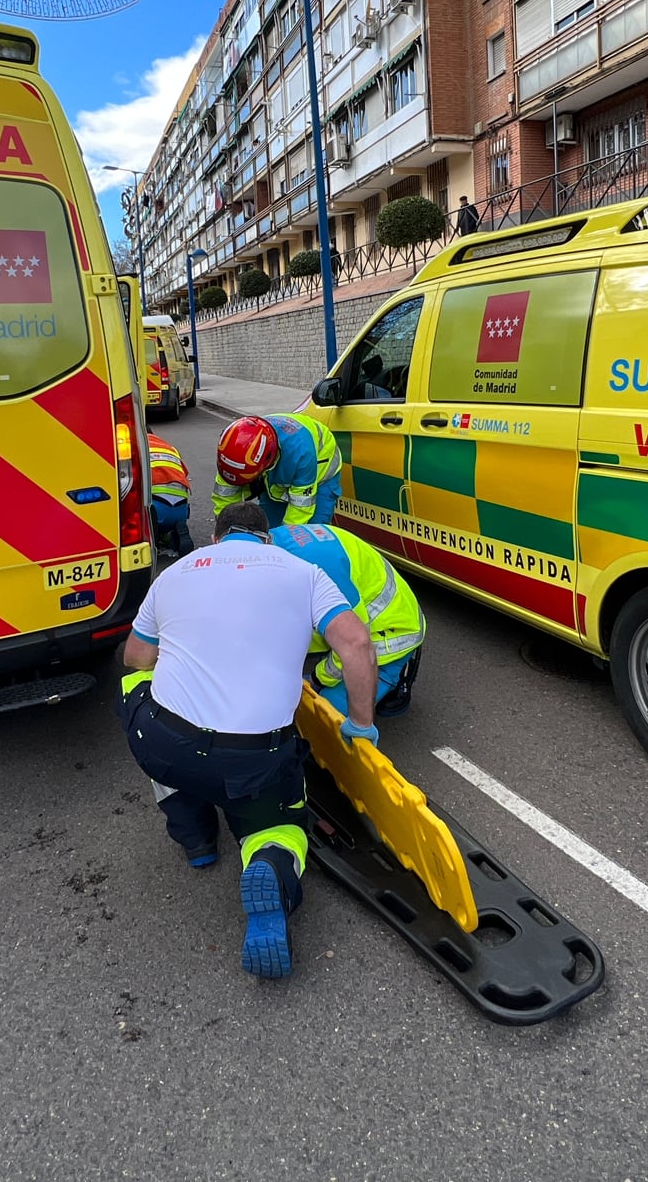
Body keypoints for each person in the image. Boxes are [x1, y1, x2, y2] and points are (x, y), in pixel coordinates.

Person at [118, 501, 379, 980]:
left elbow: (136, 656)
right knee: (280, 826)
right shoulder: (304, 574)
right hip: (251, 760)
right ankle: (269, 865)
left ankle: (195, 837)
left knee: (137, 687)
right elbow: (357, 644)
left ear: (216, 539)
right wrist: (360, 724)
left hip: (164, 743)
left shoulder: (174, 574)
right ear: (266, 540)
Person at [270, 522, 423, 716]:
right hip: (363, 615)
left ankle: (393, 678)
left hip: (390, 634)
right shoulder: (273, 541)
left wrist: (318, 679)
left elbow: (355, 641)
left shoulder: (320, 569)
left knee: (324, 713)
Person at [212, 412, 342, 528]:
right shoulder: (232, 454)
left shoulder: (301, 454)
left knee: (310, 535)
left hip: (320, 474)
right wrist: (226, 533)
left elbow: (300, 509)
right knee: (268, 529)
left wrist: (285, 545)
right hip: (278, 470)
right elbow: (225, 497)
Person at [147, 432, 194, 558]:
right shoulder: (169, 447)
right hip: (181, 508)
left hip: (155, 509)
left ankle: (153, 538)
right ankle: (177, 527)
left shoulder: (134, 446)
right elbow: (184, 473)